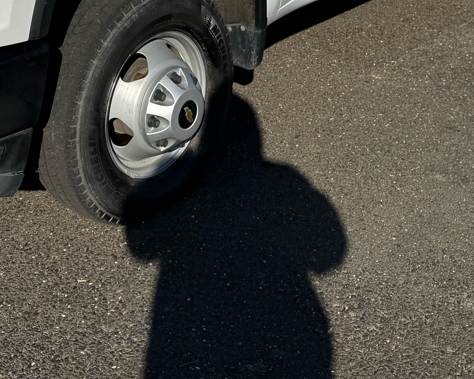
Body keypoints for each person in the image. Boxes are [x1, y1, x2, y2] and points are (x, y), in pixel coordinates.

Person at [127, 97, 348, 378]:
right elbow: (330, 256)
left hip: (184, 324)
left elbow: (140, 249)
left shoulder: (281, 179)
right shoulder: (285, 180)